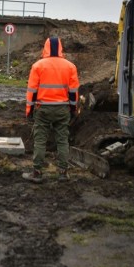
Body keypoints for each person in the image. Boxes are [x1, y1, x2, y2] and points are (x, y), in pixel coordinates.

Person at [22, 37, 79, 183]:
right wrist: (73, 109)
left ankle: (37, 173)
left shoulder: (38, 66)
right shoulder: (70, 66)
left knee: (40, 141)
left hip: (43, 109)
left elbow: (31, 91)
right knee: (62, 141)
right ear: (60, 47)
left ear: (46, 47)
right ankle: (63, 173)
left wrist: (29, 110)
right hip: (62, 109)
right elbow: (73, 92)